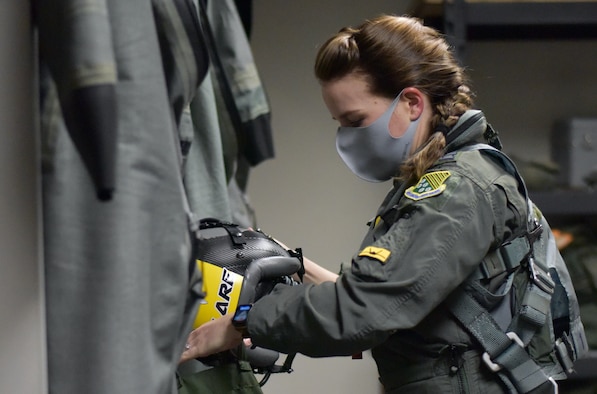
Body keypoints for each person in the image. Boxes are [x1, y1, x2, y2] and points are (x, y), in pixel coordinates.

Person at [180, 15, 582, 393]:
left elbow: (365, 311)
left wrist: (241, 324)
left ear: (411, 103)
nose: (345, 137)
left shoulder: (457, 190)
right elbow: (393, 292)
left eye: (354, 121)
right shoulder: (441, 179)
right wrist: (299, 266)